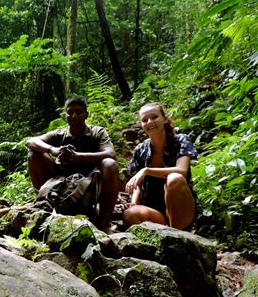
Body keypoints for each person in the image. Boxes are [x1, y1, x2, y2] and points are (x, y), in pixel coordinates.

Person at [26, 97, 119, 233]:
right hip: (60, 182)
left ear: (86, 114)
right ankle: (44, 207)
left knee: (110, 164)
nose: (74, 116)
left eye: (79, 112)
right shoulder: (60, 134)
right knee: (34, 155)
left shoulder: (97, 132)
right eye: (70, 112)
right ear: (65, 116)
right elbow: (31, 141)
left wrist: (77, 156)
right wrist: (54, 150)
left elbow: (111, 154)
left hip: (90, 184)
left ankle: (104, 222)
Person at [123, 102, 197, 230]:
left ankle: (177, 236)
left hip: (182, 209)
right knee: (131, 214)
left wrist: (147, 170)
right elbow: (137, 184)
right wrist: (134, 202)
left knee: (175, 178)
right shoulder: (140, 150)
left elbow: (182, 171)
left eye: (154, 117)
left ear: (165, 119)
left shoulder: (181, 140)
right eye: (145, 120)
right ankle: (164, 235)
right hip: (155, 211)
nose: (150, 122)